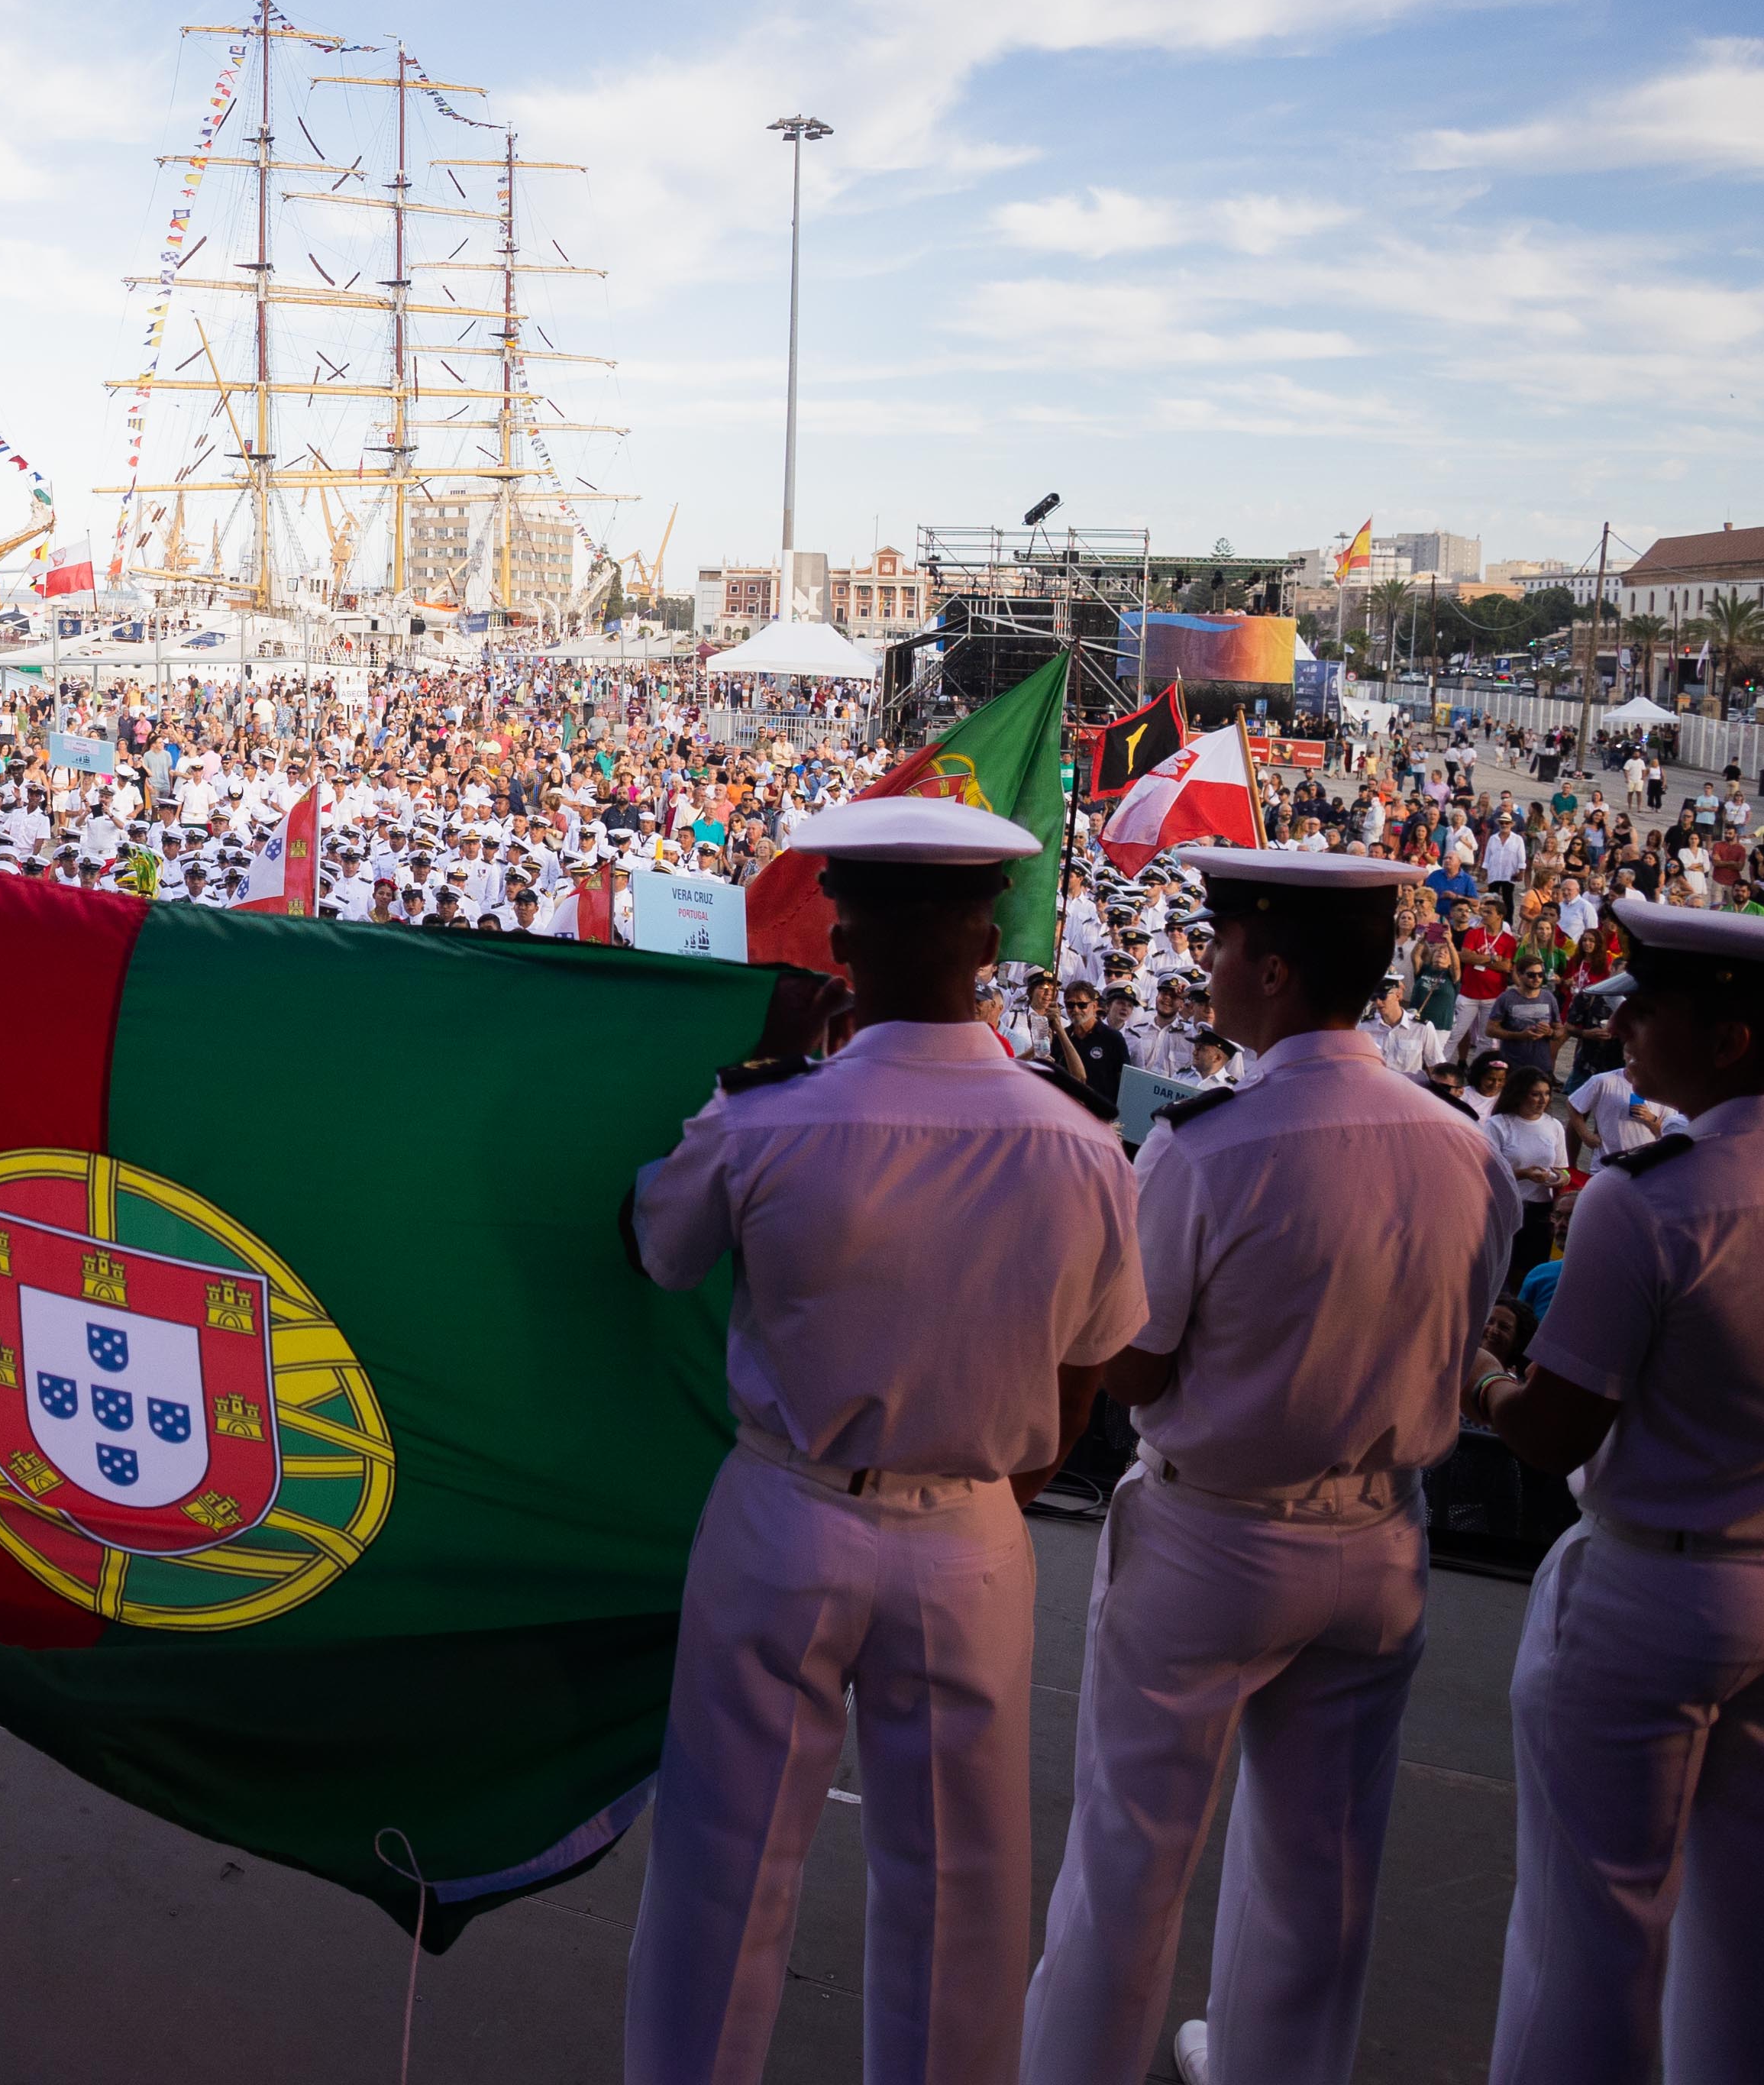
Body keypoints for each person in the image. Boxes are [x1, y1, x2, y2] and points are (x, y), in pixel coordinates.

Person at [623, 794, 1142, 2085]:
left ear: (839, 941)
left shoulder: (761, 1116)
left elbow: (657, 1246)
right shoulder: (1081, 1145)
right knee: (961, 1884)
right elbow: (1092, 1366)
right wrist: (991, 1494)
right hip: (971, 1527)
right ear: (987, 940)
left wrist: (741, 1060)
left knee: (723, 1863)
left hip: (784, 1509)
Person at [1026, 848, 1514, 2085]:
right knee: (1322, 1860)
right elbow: (1467, 1335)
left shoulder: (1207, 1145)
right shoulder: (1463, 1146)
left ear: (1275, 967)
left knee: (1130, 1852)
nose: (1209, 962)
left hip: (1214, 1534)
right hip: (1381, 1535)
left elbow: (1132, 1368)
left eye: (1227, 942)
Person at [1461, 900, 1764, 2085]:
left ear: (1726, 1040)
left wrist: (1479, 1376)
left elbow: (1552, 1430)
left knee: (1592, 1926)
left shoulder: (1651, 1198)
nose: (1625, 1030)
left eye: (1650, 1009)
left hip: (1655, 1593)